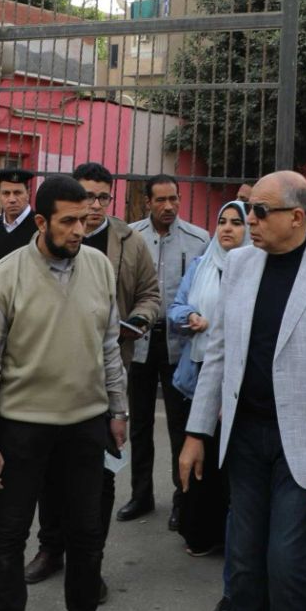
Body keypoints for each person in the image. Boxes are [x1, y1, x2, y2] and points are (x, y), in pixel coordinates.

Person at [178, 171, 306, 611]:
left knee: (289, 565)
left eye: (260, 211)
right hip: (244, 437)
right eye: (249, 210)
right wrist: (196, 433)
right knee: (243, 564)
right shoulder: (240, 264)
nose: (250, 220)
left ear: (297, 217)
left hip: (303, 443)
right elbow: (219, 353)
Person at [0, 173, 127, 611]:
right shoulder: (5, 276)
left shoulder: (99, 266)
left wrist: (119, 410)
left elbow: (109, 345)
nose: (79, 230)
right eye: (68, 221)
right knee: (9, 534)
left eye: (84, 220)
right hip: (23, 428)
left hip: (85, 425)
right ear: (41, 222)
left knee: (87, 535)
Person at [24, 162, 160, 596]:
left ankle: (90, 561)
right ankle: (51, 547)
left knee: (100, 475)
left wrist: (137, 320)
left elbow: (151, 294)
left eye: (103, 197)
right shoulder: (46, 238)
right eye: (87, 197)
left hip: (107, 374)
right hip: (51, 377)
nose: (95, 207)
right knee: (50, 471)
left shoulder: (129, 241)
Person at [124, 174, 210, 526]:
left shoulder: (199, 239)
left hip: (179, 343)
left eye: (173, 198)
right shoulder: (131, 236)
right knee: (139, 423)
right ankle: (140, 495)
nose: (168, 206)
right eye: (160, 200)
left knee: (179, 424)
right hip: (139, 340)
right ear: (148, 202)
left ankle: (182, 500)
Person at [168, 200, 250, 556]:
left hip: (237, 380)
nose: (227, 228)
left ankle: (233, 536)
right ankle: (199, 532)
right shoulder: (201, 265)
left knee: (229, 462)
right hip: (197, 374)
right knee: (198, 454)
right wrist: (190, 316)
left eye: (237, 222)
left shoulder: (254, 269)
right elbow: (175, 308)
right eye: (223, 221)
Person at [0, 168, 39, 522]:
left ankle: (17, 483)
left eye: (18, 193)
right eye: (6, 193)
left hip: (27, 330)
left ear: (28, 194)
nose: (11, 199)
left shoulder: (36, 232)